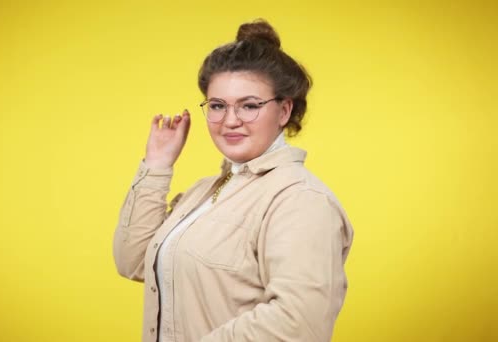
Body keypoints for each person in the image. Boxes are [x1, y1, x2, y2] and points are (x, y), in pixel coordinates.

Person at [113, 19, 354, 342]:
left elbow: (299, 324)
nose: (230, 120)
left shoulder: (300, 200)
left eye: (250, 105)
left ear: (284, 111)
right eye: (217, 106)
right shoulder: (202, 193)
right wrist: (157, 165)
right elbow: (133, 262)